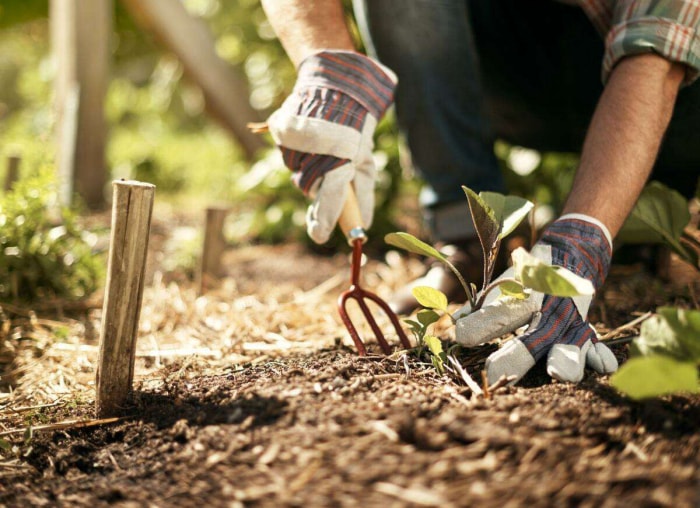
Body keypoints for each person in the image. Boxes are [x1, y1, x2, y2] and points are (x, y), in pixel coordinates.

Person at [259, 0, 700, 385]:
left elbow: (655, 63)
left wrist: (583, 238)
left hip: (671, 91)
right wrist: (327, 65)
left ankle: (638, 227)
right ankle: (469, 240)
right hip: (506, 67)